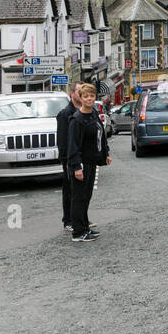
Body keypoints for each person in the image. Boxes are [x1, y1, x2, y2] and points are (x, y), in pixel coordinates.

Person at [68, 83, 111, 243]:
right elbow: (73, 146)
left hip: (92, 162)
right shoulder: (76, 120)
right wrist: (77, 167)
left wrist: (105, 153)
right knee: (79, 198)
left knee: (86, 196)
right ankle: (78, 232)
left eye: (91, 96)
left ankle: (85, 227)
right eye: (86, 96)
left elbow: (100, 135)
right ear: (80, 97)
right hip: (81, 164)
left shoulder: (92, 113)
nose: (89, 99)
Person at [56, 83, 81, 233]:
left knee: (80, 191)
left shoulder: (83, 110)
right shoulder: (65, 114)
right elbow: (62, 141)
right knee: (70, 190)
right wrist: (66, 161)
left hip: (80, 156)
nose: (82, 94)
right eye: (79, 91)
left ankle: (79, 218)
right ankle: (68, 220)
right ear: (72, 94)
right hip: (69, 159)